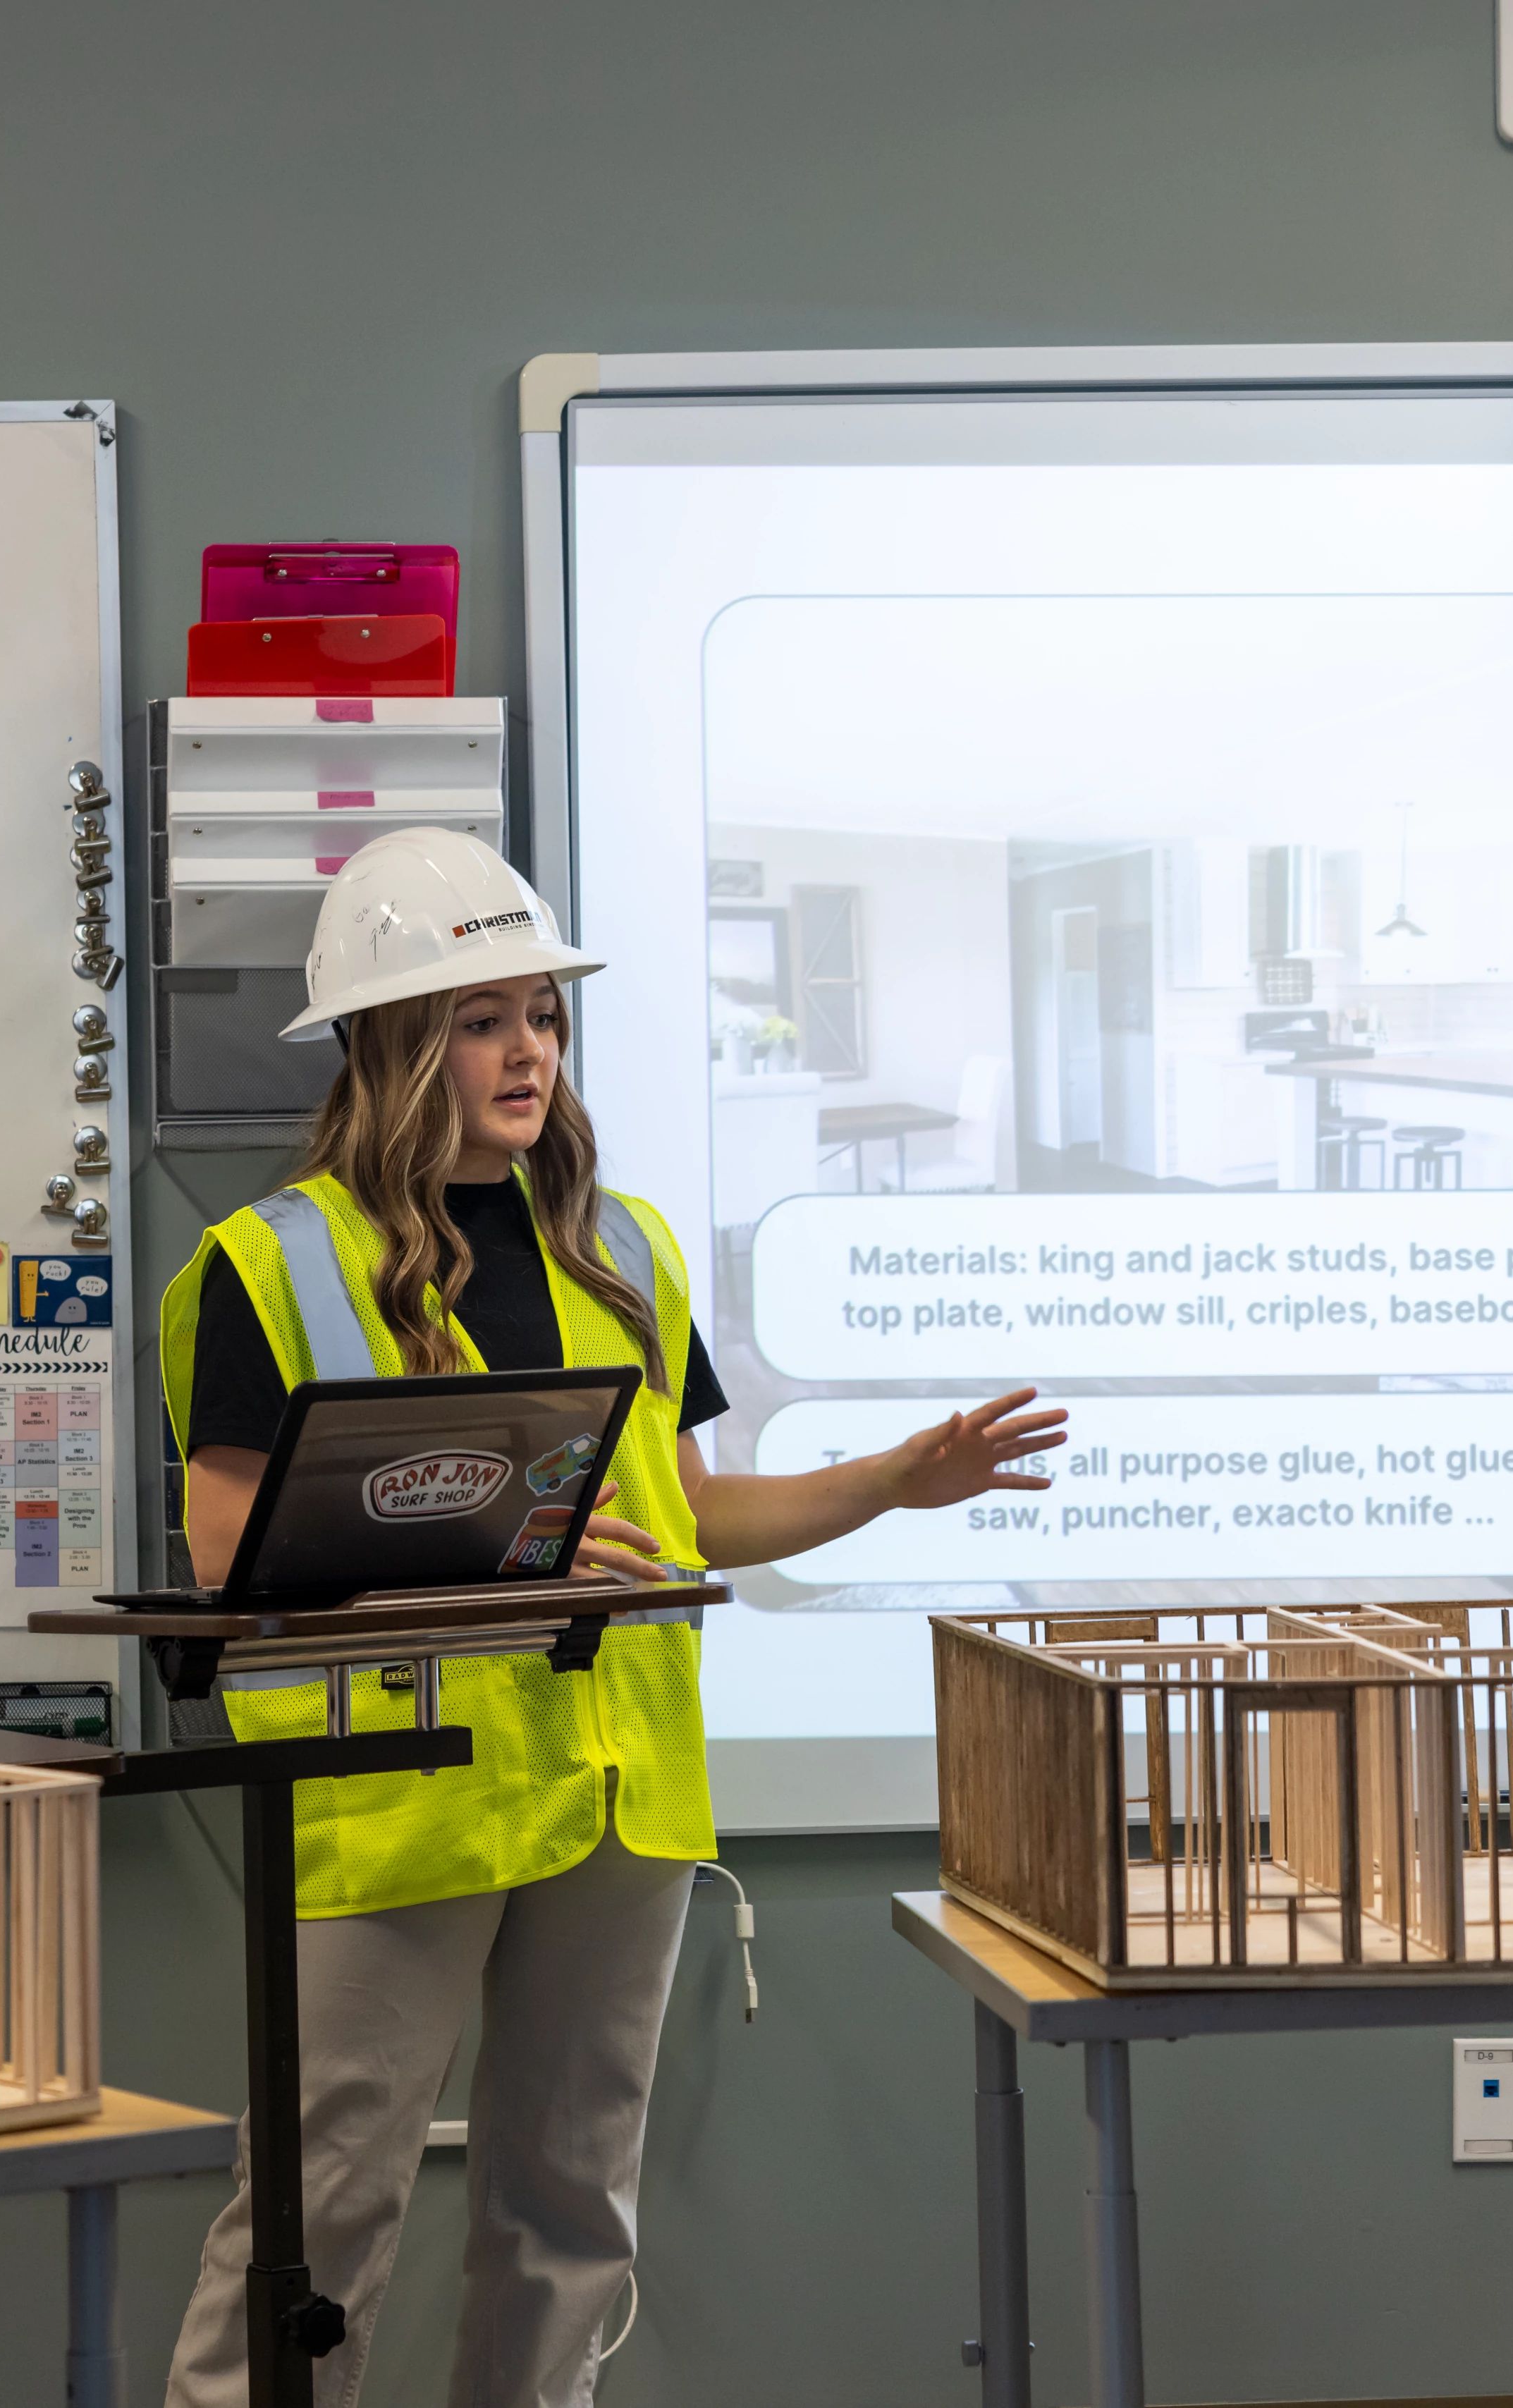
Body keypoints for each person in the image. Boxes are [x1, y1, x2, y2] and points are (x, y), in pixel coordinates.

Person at [157, 828, 1065, 2407]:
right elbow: (236, 1557)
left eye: (544, 1015)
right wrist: (509, 1571)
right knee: (320, 2210)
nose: (529, 1053)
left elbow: (691, 1510)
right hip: (392, 1798)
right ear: (389, 1041)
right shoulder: (270, 1263)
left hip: (618, 1797)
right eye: (481, 1017)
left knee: (571, 2210)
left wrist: (888, 1481)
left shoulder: (623, 1246)